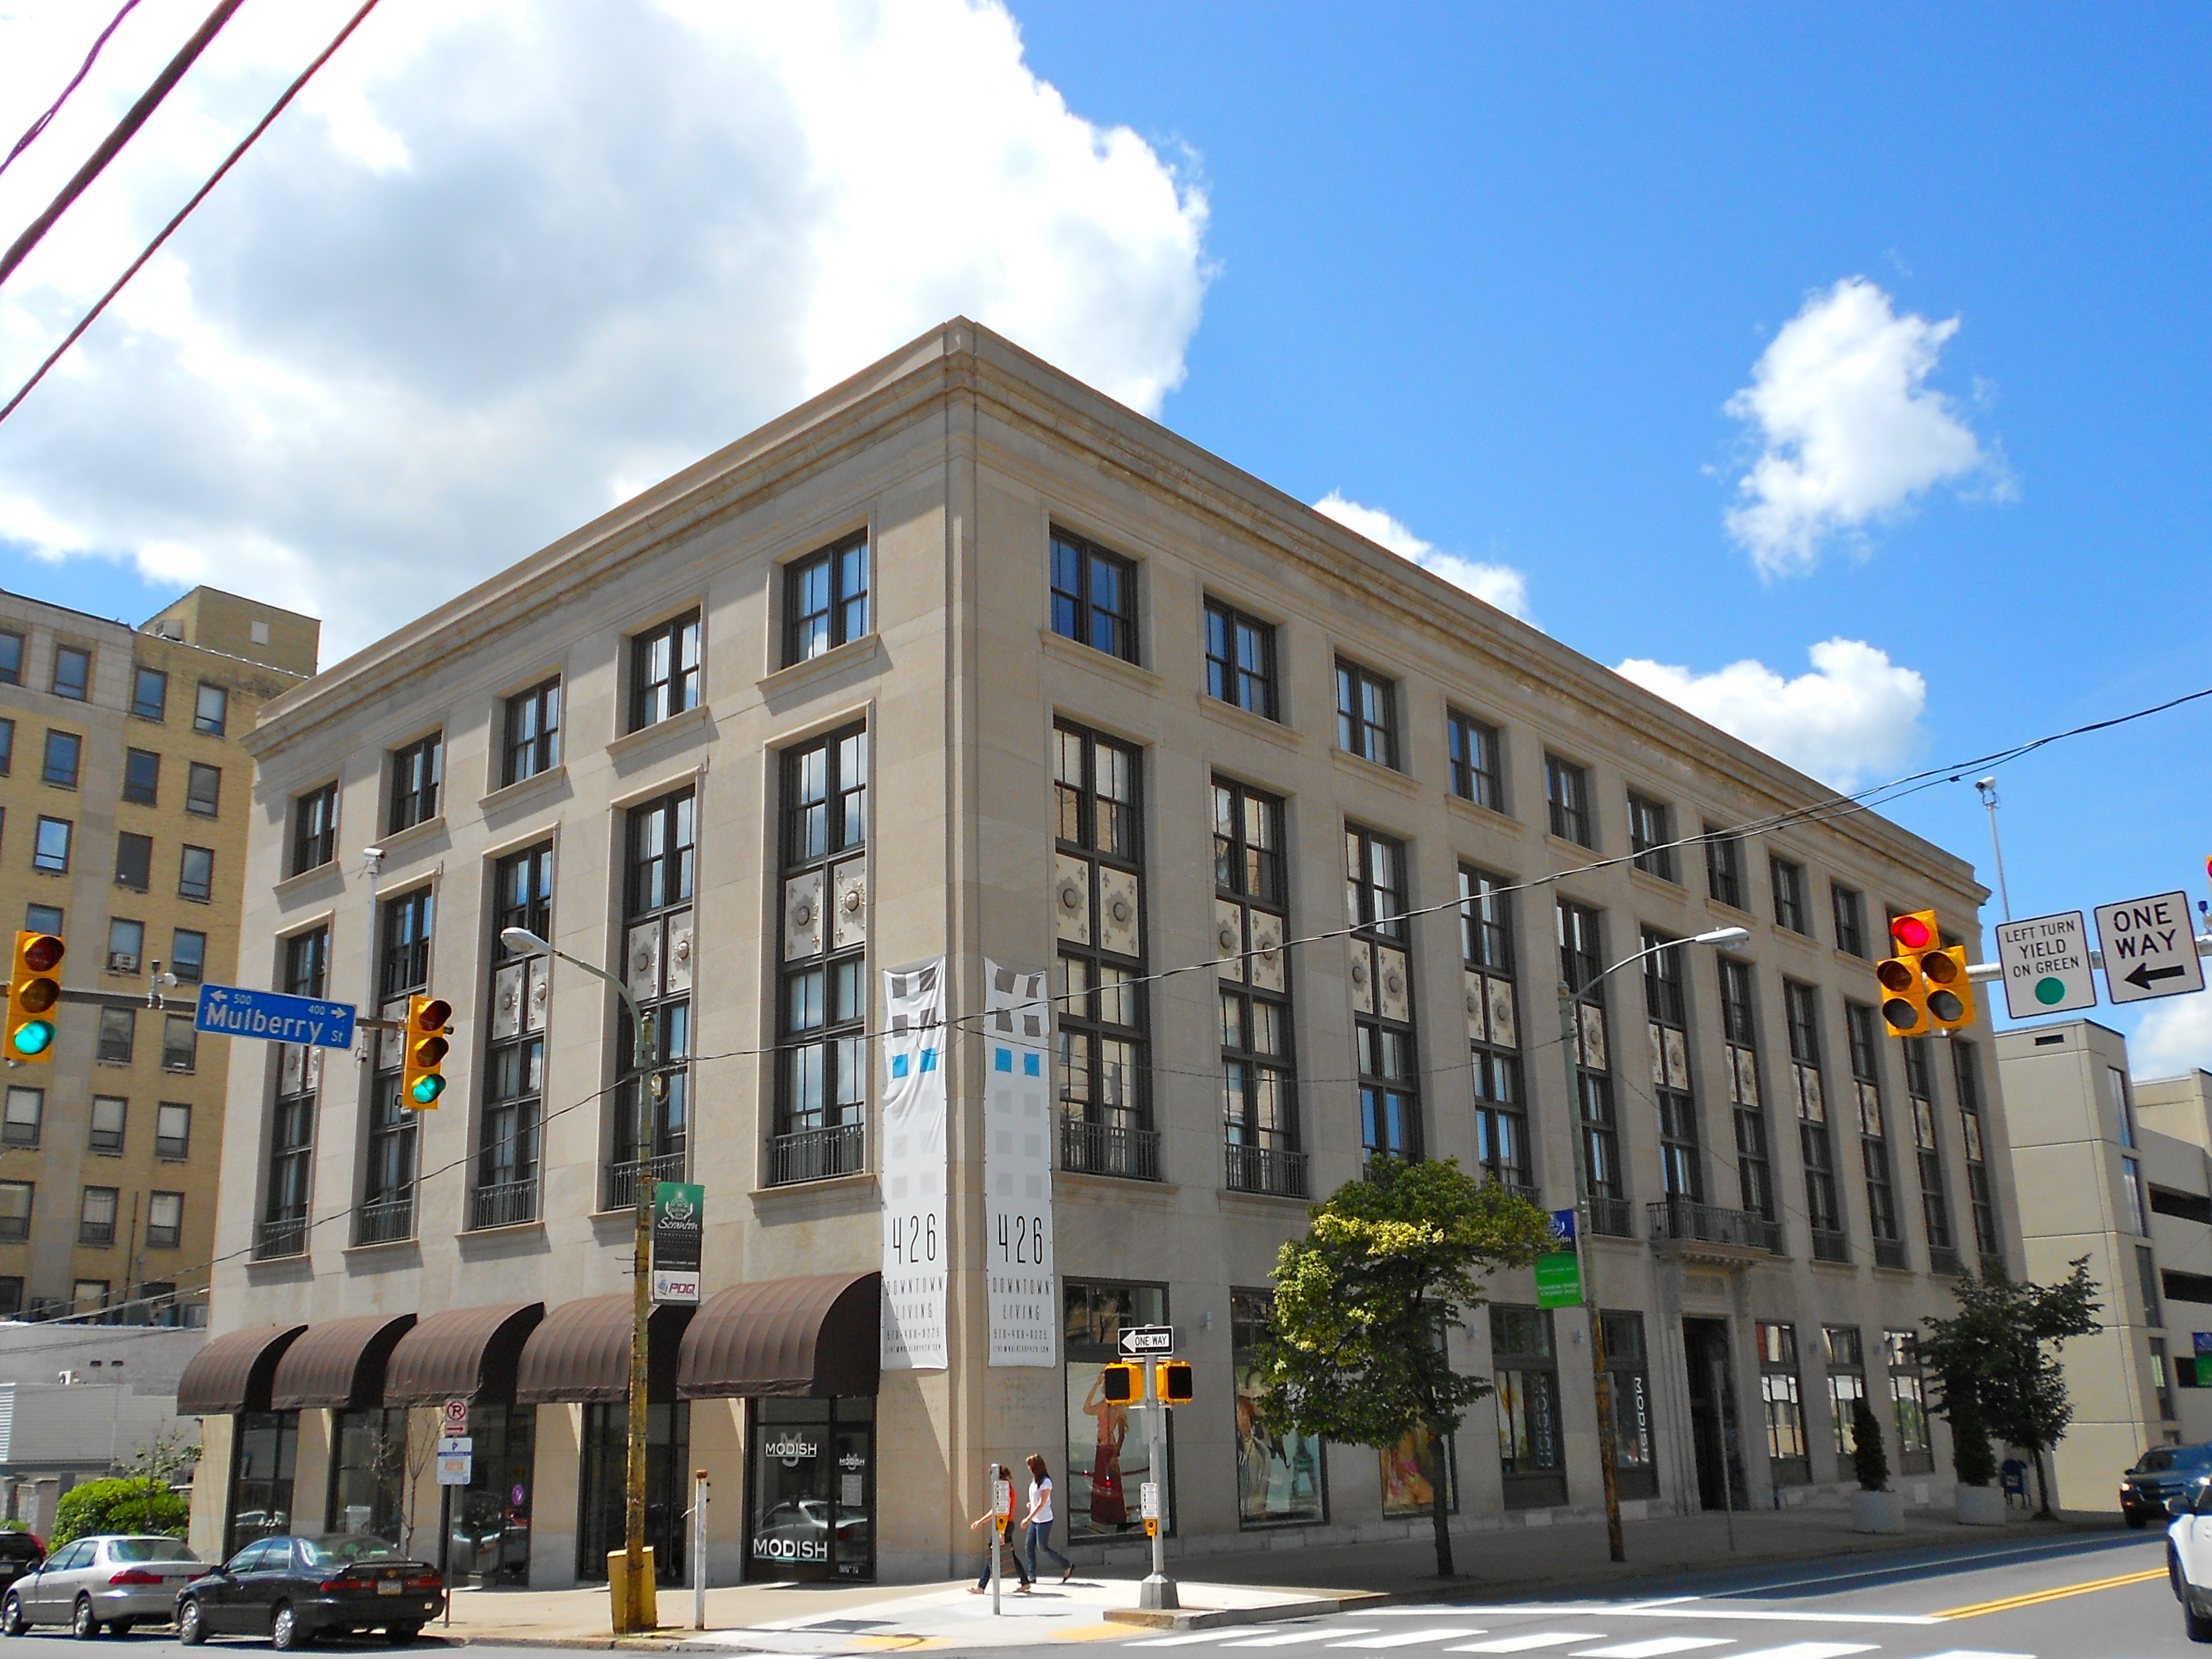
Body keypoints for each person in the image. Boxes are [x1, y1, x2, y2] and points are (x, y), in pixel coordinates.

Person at [1021, 1453, 1075, 1584]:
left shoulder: (1046, 1482)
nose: (1029, 1468)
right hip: (1036, 1520)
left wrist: (1028, 1518)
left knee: (1043, 1548)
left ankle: (1067, 1565)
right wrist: (1030, 1506)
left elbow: (1042, 1503)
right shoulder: (1035, 1482)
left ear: (1036, 1467)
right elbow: (1035, 1501)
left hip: (1044, 1520)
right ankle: (1031, 1576)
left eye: (1030, 1466)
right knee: (1029, 1547)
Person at [966, 1498, 1031, 1594]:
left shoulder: (1004, 1488)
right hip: (1005, 1525)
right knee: (1010, 1555)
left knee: (993, 1554)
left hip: (1003, 1525)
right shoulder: (1005, 1487)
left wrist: (1001, 1532)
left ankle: (981, 1587)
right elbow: (996, 1510)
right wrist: (980, 1522)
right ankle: (1025, 1582)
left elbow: (1003, 1511)